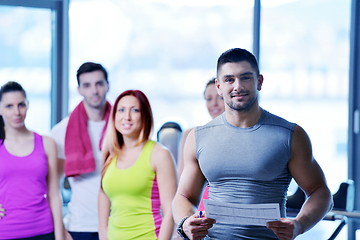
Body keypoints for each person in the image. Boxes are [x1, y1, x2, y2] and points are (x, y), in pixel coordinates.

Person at [172, 48, 333, 240]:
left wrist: (299, 224)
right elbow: (183, 197)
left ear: (259, 81)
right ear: (218, 86)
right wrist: (185, 223)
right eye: (229, 79)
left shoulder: (290, 135)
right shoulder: (198, 137)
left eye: (246, 78)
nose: (237, 86)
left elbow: (320, 192)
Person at [98, 90, 177, 240]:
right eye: (121, 110)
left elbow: (170, 211)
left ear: (145, 116)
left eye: (134, 110)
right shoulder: (110, 154)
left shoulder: (159, 154)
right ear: (114, 116)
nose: (126, 117)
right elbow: (103, 194)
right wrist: (103, 233)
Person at [50, 62, 111, 240]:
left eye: (99, 84)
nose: (94, 91)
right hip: (80, 225)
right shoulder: (62, 131)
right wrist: (60, 229)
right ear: (79, 89)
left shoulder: (122, 125)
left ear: (107, 85)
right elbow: (53, 187)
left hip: (118, 221)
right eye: (87, 85)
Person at [0, 81, 65, 240]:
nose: (17, 112)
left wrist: (60, 235)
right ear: (0, 109)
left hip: (43, 230)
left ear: (28, 105)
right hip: (6, 232)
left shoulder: (47, 143)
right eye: (9, 106)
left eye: (21, 105)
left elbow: (54, 193)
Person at [177, 78, 225, 176]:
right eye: (209, 99)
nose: (214, 104)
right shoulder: (192, 135)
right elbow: (182, 178)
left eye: (220, 98)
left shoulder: (239, 134)